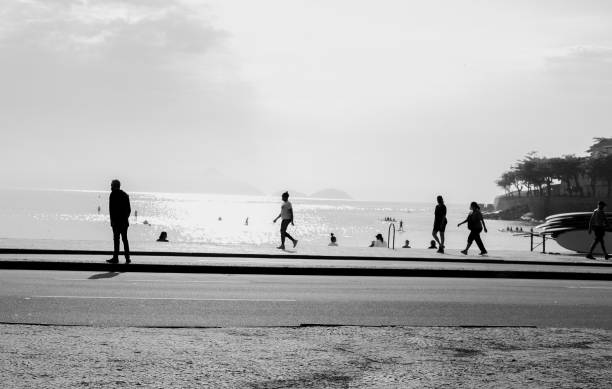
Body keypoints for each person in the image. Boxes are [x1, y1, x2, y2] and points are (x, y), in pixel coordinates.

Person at [107, 179, 131, 264]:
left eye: (111, 185)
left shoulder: (113, 194)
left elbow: (111, 210)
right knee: (125, 239)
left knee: (116, 239)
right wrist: (125, 219)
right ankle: (127, 258)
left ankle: (115, 257)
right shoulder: (125, 195)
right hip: (124, 222)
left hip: (116, 222)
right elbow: (129, 210)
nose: (110, 187)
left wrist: (112, 221)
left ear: (114, 186)